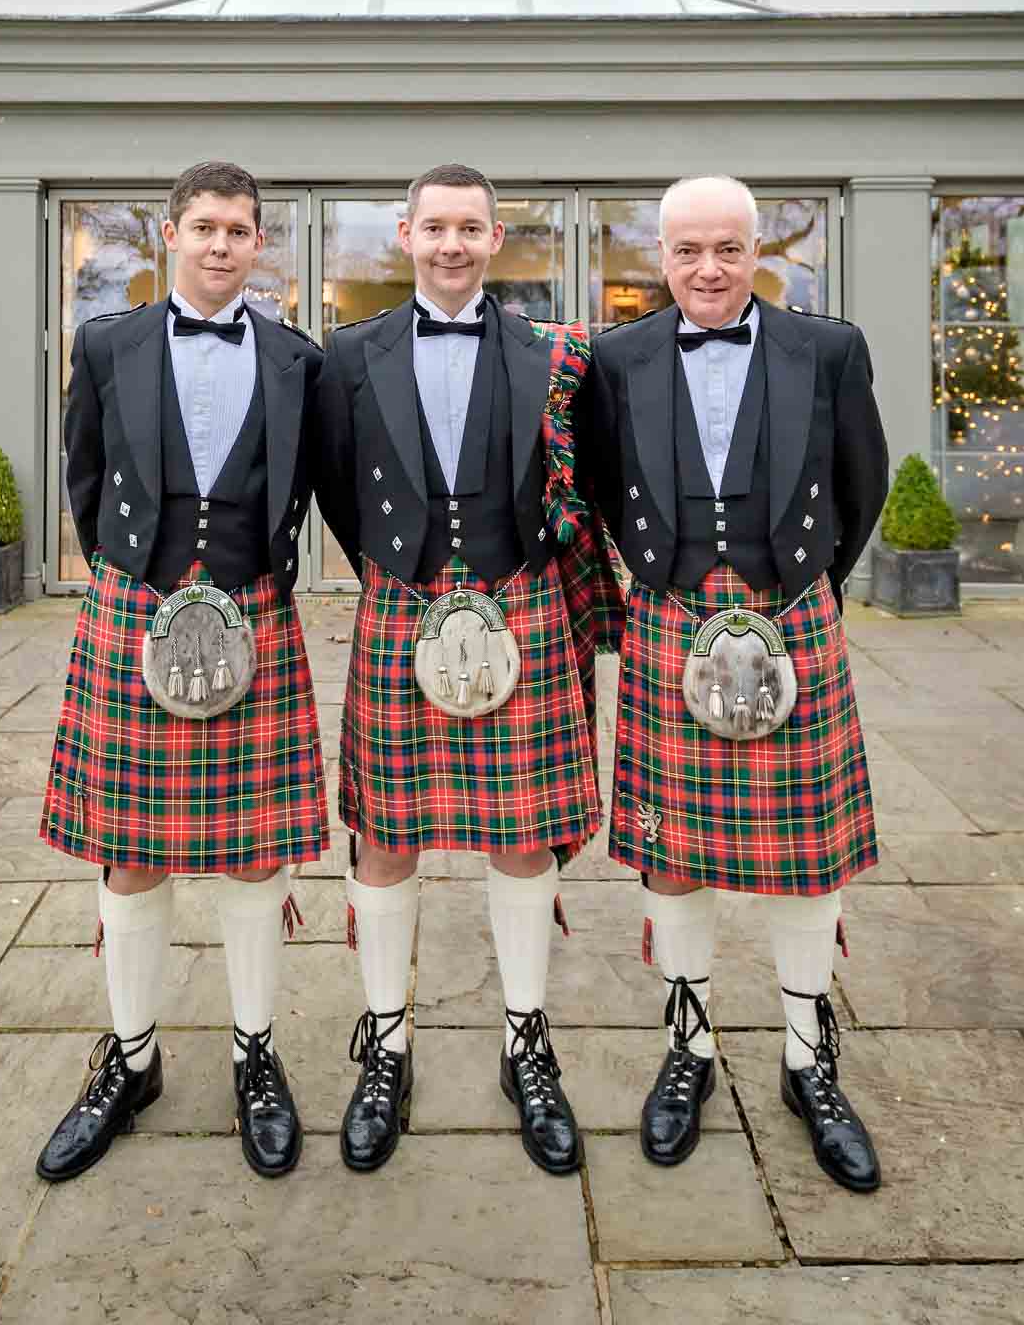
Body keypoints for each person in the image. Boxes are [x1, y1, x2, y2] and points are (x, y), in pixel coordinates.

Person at [586, 174, 887, 1194]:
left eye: (726, 249)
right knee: (673, 853)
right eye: (685, 252)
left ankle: (809, 1060)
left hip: (791, 611)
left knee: (806, 856)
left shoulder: (829, 348)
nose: (707, 269)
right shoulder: (617, 359)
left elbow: (864, 480)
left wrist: (807, 593)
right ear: (659, 258)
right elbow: (594, 480)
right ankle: (690, 1045)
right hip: (672, 616)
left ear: (756, 249)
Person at [35, 160, 327, 1182]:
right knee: (129, 851)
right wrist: (134, 575)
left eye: (237, 230)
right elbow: (84, 474)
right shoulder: (107, 342)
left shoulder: (297, 358)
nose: (218, 244)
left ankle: (255, 1052)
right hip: (137, 606)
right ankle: (132, 1057)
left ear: (258, 245)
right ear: (169, 235)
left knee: (254, 854)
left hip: (254, 607)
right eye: (201, 226)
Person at [313, 163, 605, 1177]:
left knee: (524, 841)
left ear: (496, 239)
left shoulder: (554, 351)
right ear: (405, 234)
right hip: (405, 605)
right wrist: (401, 577)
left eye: (468, 228)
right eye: (432, 226)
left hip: (517, 599)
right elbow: (341, 491)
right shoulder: (348, 355)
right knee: (384, 840)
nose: (449, 244)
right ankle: (386, 1047)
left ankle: (526, 1046)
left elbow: (590, 476)